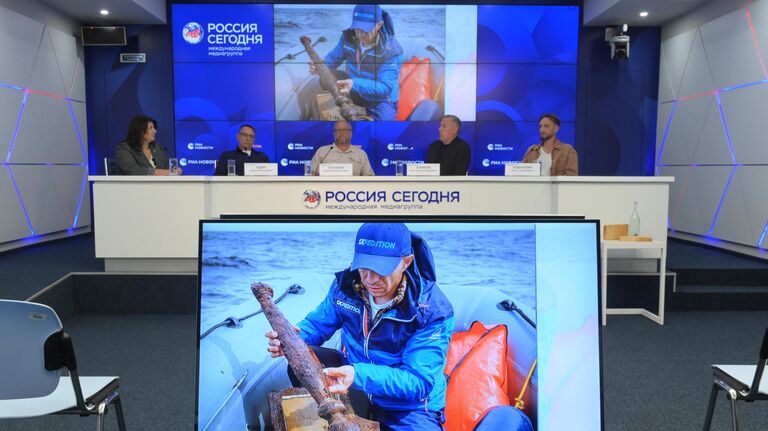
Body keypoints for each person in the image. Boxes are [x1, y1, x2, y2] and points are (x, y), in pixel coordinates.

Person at [265, 223, 454, 431]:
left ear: (406, 262)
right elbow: (316, 326)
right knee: (301, 361)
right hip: (353, 386)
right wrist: (291, 340)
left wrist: (358, 375)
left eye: (381, 270)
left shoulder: (432, 311)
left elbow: (418, 382)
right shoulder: (346, 287)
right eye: (364, 267)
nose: (371, 280)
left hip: (408, 407)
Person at [299, 4, 404, 121]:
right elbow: (334, 58)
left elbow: (384, 87)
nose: (359, 33)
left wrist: (354, 83)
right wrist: (321, 66)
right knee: (325, 78)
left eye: (365, 29)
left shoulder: (392, 50)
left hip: (379, 99)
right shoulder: (348, 37)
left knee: (383, 129)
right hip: (352, 88)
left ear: (379, 25)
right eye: (357, 27)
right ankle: (344, 108)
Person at [115, 115, 180, 175]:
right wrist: (164, 172)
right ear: (141, 131)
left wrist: (177, 170)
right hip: (133, 186)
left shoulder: (156, 148)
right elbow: (132, 170)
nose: (155, 131)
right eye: (151, 128)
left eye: (154, 128)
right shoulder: (124, 148)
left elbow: (167, 166)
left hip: (158, 186)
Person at [309, 120, 375, 176]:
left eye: (345, 130)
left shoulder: (361, 154)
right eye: (338, 130)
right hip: (325, 189)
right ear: (334, 133)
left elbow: (370, 177)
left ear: (351, 133)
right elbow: (309, 174)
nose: (342, 133)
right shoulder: (322, 152)